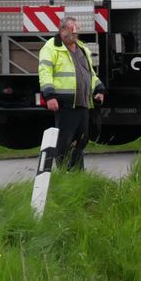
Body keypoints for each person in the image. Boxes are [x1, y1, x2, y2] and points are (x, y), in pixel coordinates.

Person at [38, 17, 103, 171]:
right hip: (65, 102)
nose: (75, 36)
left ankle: (78, 173)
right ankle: (64, 171)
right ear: (62, 30)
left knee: (81, 139)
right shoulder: (50, 48)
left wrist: (99, 89)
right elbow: (45, 73)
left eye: (76, 33)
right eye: (72, 33)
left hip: (83, 102)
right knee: (65, 140)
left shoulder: (81, 48)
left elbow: (89, 73)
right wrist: (50, 95)